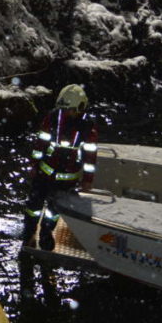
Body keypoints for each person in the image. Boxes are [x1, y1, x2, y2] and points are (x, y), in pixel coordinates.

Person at [21, 84, 99, 251]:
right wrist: (34, 165)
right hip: (44, 173)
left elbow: (90, 158)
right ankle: (28, 234)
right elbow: (40, 144)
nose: (66, 113)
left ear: (80, 107)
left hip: (66, 180)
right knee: (32, 208)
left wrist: (87, 181)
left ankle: (46, 234)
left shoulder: (88, 128)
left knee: (53, 211)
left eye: (69, 110)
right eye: (64, 109)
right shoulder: (52, 119)